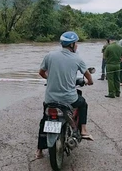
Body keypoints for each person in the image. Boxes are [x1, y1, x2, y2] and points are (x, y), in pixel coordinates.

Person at [36, 31, 94, 159]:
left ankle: (39, 150)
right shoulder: (77, 58)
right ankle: (83, 130)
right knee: (83, 103)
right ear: (72, 45)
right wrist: (90, 82)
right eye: (76, 43)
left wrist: (50, 79)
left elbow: (41, 72)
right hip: (69, 99)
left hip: (50, 98)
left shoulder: (49, 55)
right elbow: (87, 75)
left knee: (45, 119)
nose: (77, 45)